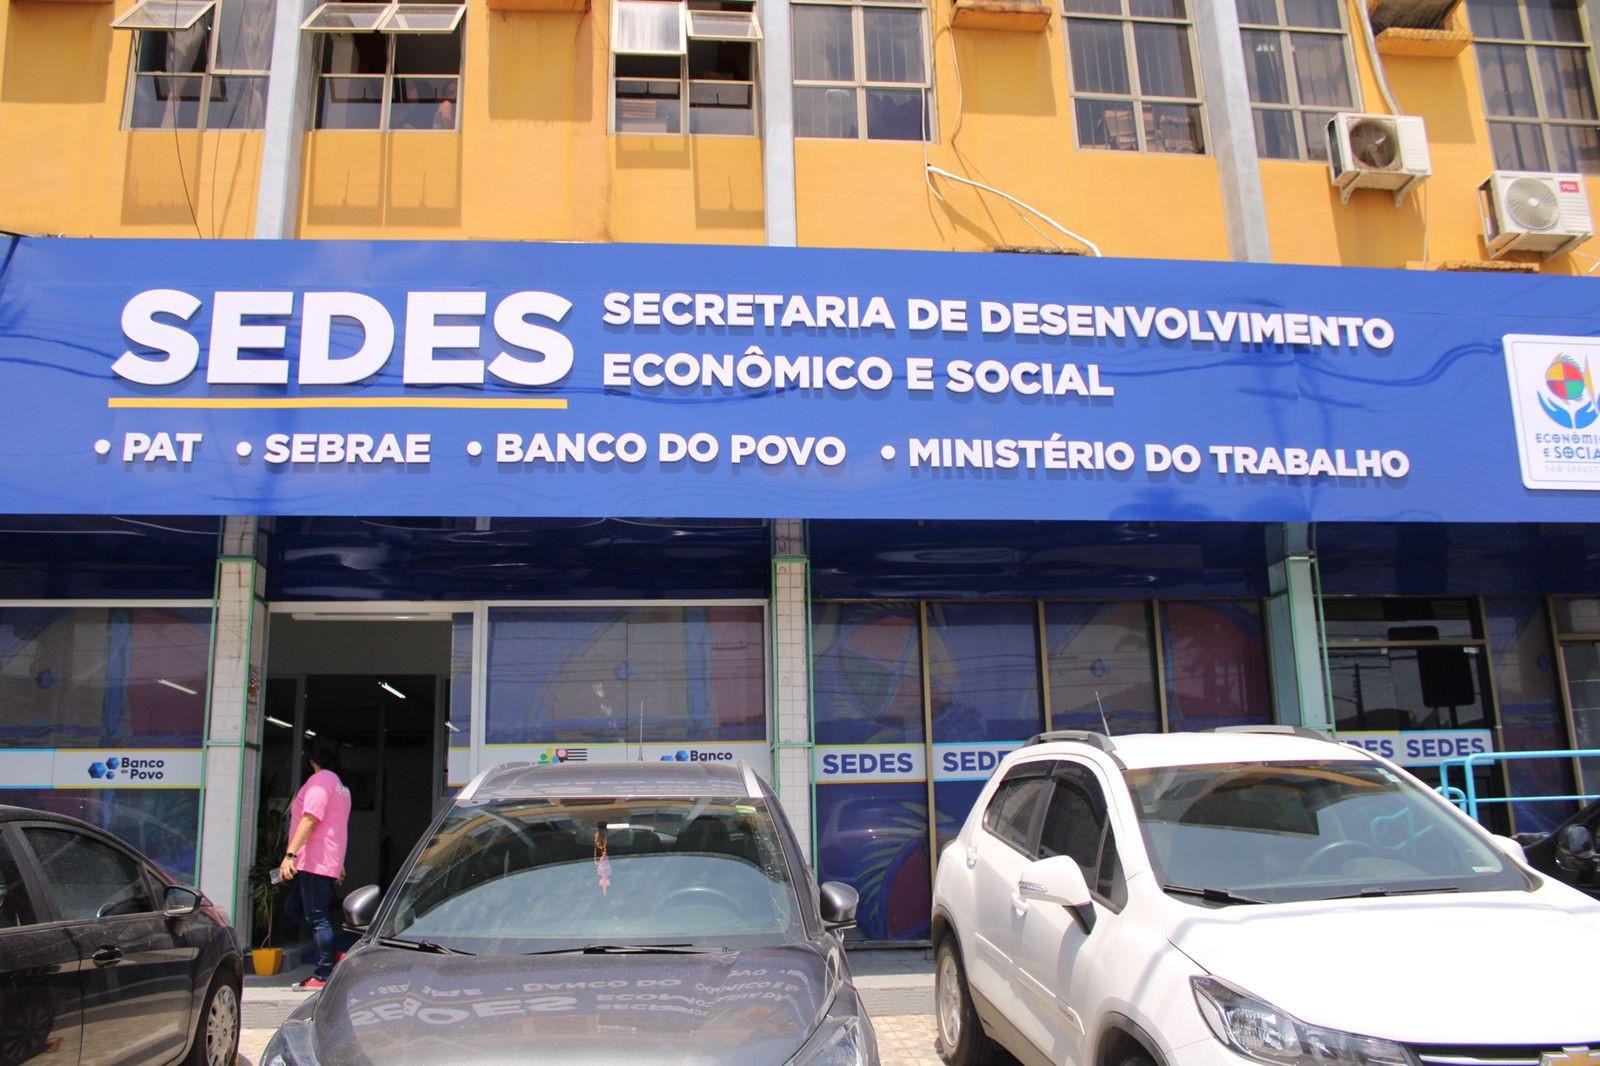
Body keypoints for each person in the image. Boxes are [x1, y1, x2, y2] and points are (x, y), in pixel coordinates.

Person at [279, 735, 352, 991]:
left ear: (312, 758)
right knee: (294, 908)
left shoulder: (320, 782)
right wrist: (338, 862)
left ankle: (322, 974)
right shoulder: (340, 785)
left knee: (317, 916)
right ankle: (328, 952)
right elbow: (336, 826)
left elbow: (310, 819)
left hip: (314, 859)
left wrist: (290, 855)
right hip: (323, 859)